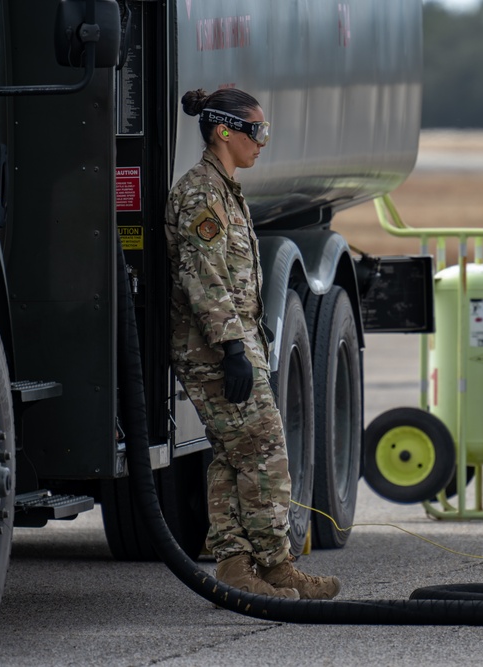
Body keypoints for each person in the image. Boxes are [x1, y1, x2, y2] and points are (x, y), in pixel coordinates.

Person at [165, 88, 341, 600]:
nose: (263, 142)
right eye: (257, 131)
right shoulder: (200, 193)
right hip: (213, 351)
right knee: (265, 449)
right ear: (224, 130)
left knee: (231, 456)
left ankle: (238, 568)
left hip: (229, 345)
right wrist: (233, 349)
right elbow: (203, 277)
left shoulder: (225, 189)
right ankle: (276, 565)